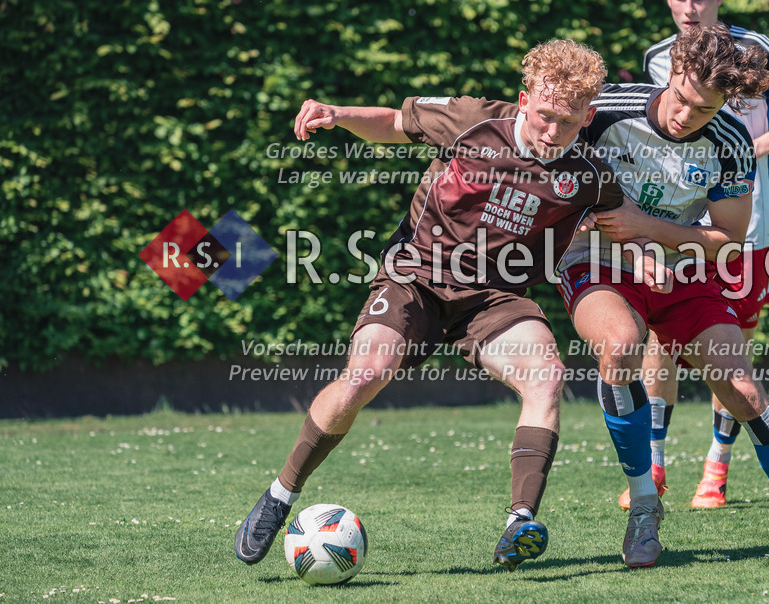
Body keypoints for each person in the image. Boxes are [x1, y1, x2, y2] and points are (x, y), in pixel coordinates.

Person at [233, 39, 670, 573]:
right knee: (365, 375)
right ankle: (281, 494)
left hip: (495, 298)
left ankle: (519, 522)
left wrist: (645, 249)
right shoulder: (471, 122)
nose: (552, 132)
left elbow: (620, 214)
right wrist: (338, 114)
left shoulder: (585, 171)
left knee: (546, 377)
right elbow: (395, 123)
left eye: (569, 121)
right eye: (545, 115)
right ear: (524, 98)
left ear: (589, 116)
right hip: (416, 276)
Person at [559, 24, 769, 563]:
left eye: (702, 110)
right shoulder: (602, 110)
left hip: (684, 268)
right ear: (671, 73)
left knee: (742, 390)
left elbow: (726, 240)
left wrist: (647, 227)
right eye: (681, 100)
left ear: (726, 103)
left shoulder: (731, 142)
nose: (684, 117)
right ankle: (646, 507)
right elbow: (559, 194)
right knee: (622, 343)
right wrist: (627, 241)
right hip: (597, 260)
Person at [618, 0, 769, 513]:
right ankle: (654, 464)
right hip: (678, 224)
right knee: (660, 339)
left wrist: (749, 147)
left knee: (734, 352)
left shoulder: (754, 49)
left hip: (747, 229)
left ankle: (717, 466)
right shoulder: (656, 58)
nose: (689, 7)